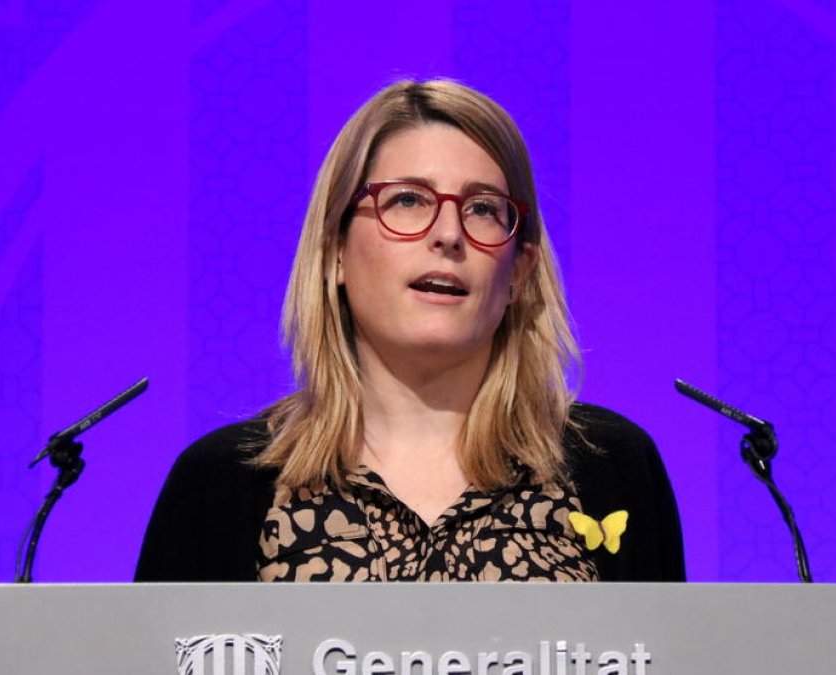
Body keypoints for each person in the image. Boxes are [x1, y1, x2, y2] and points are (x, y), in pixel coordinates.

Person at [135, 79, 684, 582]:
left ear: (519, 270)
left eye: (483, 209)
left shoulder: (611, 465)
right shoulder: (221, 482)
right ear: (335, 254)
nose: (448, 233)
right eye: (407, 200)